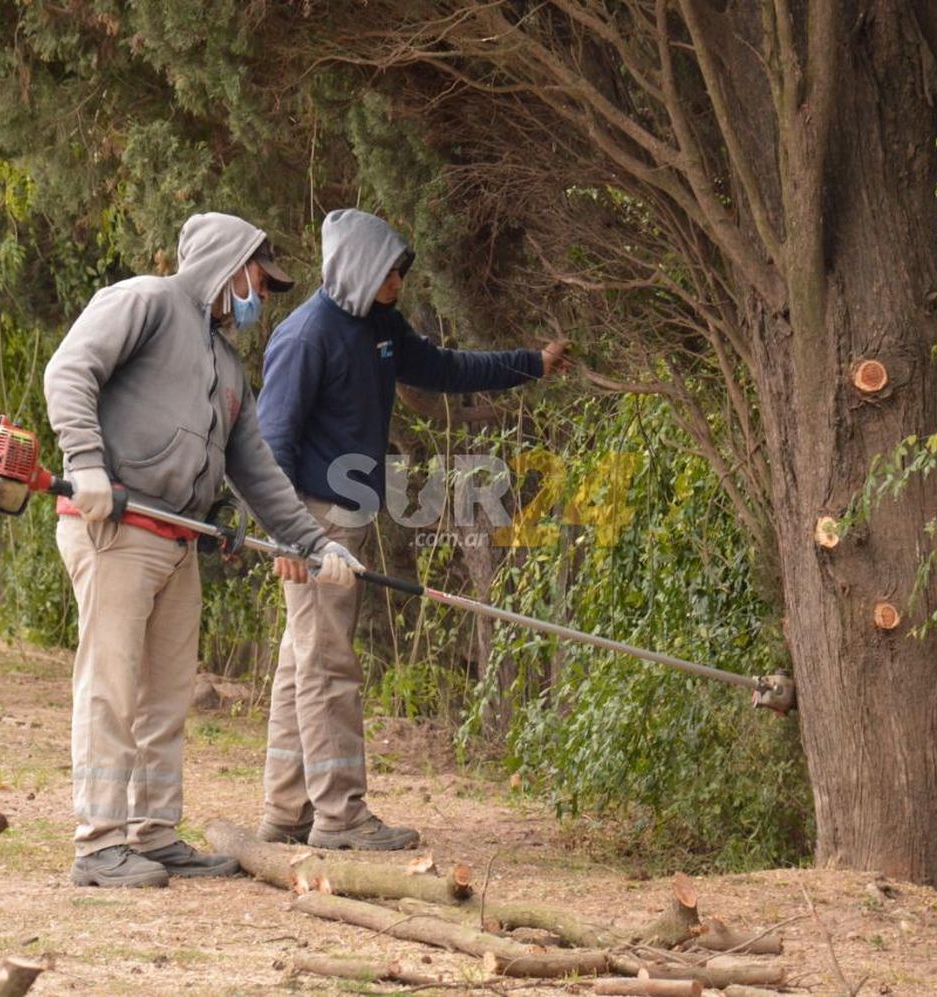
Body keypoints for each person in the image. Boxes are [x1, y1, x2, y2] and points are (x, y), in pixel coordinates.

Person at [44, 212, 363, 888]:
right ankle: (99, 844)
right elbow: (69, 369)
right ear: (229, 264)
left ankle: (153, 835)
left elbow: (258, 470)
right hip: (116, 528)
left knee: (165, 695)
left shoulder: (227, 363)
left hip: (176, 537)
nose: (262, 295)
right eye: (259, 278)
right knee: (111, 688)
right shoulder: (147, 302)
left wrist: (313, 543)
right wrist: (86, 460)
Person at [255, 208, 568, 851]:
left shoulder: (380, 325)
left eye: (401, 270)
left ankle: (287, 812)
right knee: (327, 665)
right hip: (314, 521)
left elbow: (446, 369)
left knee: (303, 661)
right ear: (358, 269)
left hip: (350, 517)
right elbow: (270, 444)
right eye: (390, 271)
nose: (400, 281)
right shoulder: (305, 337)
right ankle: (340, 816)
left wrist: (530, 364)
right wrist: (283, 537)